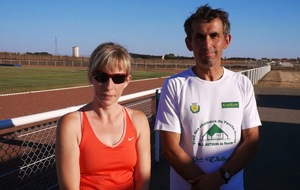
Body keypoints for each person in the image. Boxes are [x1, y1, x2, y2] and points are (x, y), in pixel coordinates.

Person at [155, 4, 261, 190]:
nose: (207, 44)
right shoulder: (174, 85)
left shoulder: (242, 84)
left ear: (226, 40)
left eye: (214, 35)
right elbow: (170, 148)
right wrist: (203, 183)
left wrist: (220, 178)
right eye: (199, 37)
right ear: (189, 43)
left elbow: (251, 140)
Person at [55, 42, 151, 190]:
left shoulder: (138, 120)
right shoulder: (72, 124)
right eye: (101, 76)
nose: (109, 86)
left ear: (127, 81)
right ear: (90, 78)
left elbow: (143, 182)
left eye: (118, 78)